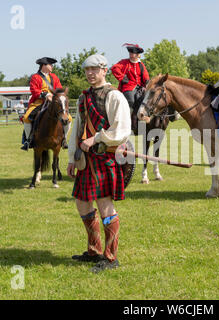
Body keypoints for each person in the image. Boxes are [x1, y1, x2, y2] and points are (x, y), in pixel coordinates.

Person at [67, 54, 131, 273]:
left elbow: (121, 130)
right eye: (87, 70)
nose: (90, 74)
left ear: (105, 71)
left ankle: (111, 258)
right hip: (85, 159)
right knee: (82, 203)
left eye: (95, 69)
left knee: (105, 206)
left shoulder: (115, 97)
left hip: (104, 158)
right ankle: (94, 250)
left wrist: (96, 138)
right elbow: (76, 128)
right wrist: (71, 157)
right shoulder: (83, 98)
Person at [21, 57, 72, 150]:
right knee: (26, 117)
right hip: (39, 102)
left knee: (68, 118)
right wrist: (46, 94)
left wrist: (57, 95)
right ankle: (29, 140)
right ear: (44, 65)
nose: (52, 67)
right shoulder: (35, 77)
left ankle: (64, 139)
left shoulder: (54, 77)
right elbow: (34, 90)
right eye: (50, 65)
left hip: (54, 102)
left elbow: (59, 88)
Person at [111, 43, 149, 112]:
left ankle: (142, 120)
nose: (131, 55)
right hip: (128, 87)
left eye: (132, 53)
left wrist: (146, 82)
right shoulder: (124, 62)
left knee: (146, 102)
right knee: (131, 101)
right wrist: (122, 77)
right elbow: (114, 68)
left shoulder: (141, 64)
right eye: (130, 53)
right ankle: (128, 118)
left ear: (137, 55)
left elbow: (145, 75)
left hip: (140, 87)